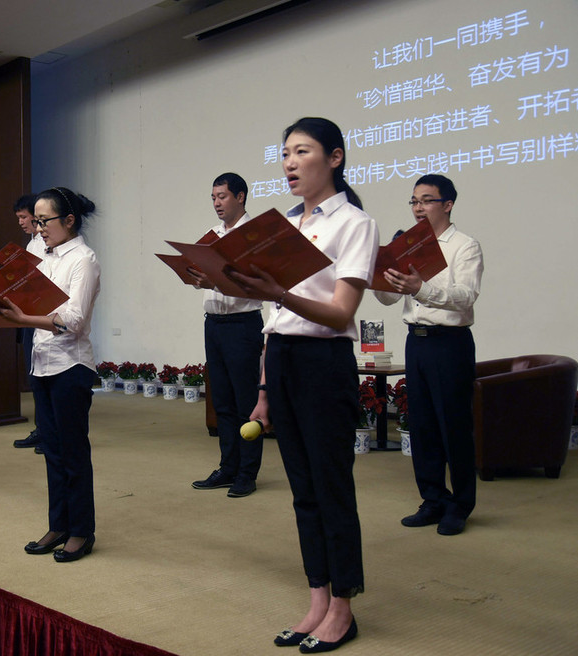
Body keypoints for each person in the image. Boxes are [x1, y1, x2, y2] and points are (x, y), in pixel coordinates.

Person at [230, 117, 378, 653]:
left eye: (302, 151)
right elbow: (276, 321)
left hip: (324, 363)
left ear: (334, 158)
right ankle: (317, 599)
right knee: (302, 490)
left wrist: (279, 291)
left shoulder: (355, 223)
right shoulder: (285, 224)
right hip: (283, 359)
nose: (289, 163)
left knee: (331, 487)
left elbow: (341, 313)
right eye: (285, 153)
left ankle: (343, 607)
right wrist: (264, 390)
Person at [374, 174, 483, 536]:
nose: (418, 208)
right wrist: (379, 276)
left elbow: (465, 296)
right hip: (416, 343)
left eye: (426, 200)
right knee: (421, 426)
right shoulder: (407, 246)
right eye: (414, 201)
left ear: (447, 205)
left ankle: (460, 505)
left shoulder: (465, 246)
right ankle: (433, 499)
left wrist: (420, 287)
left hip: (449, 343)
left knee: (454, 427)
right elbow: (389, 298)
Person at [0, 187, 101, 563]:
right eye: (36, 221)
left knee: (73, 452)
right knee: (52, 452)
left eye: (44, 221)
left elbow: (75, 320)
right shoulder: (43, 255)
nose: (38, 229)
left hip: (71, 366)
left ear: (69, 220)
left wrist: (24, 318)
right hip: (41, 362)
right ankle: (58, 524)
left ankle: (81, 531)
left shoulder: (84, 260)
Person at [188, 172, 264, 498]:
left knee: (246, 401)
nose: (217, 203)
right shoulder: (213, 236)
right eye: (213, 198)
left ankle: (247, 473)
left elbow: (253, 285)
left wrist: (215, 282)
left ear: (240, 196)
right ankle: (228, 466)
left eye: (222, 196)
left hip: (243, 324)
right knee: (222, 401)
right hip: (214, 324)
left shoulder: (254, 236)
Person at [11, 193, 47, 452]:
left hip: (43, 314)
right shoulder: (31, 243)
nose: (21, 222)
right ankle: (41, 429)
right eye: (19, 218)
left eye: (23, 217)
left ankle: (50, 433)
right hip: (27, 312)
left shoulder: (46, 242)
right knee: (33, 374)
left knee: (45, 378)